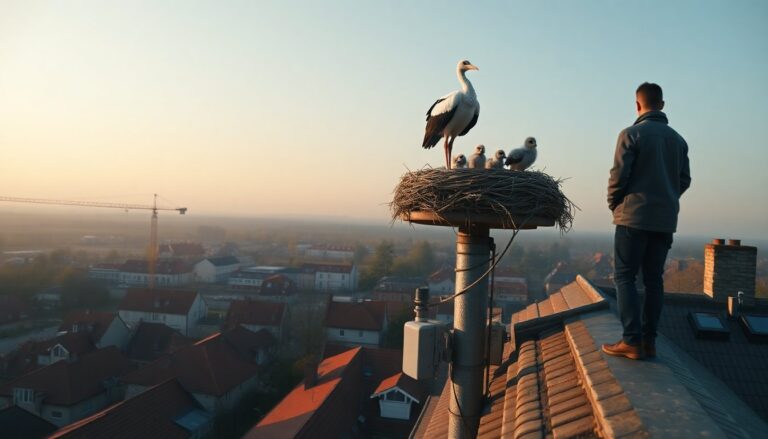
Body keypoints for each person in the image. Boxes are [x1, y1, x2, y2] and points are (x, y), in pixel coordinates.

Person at [602, 82, 691, 360]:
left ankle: (631, 341)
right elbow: (684, 180)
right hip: (664, 220)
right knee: (654, 280)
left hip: (633, 217)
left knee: (625, 276)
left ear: (637, 105)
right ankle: (649, 342)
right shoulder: (678, 140)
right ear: (662, 105)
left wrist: (614, 203)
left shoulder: (631, 134)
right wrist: (666, 198)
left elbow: (619, 176)